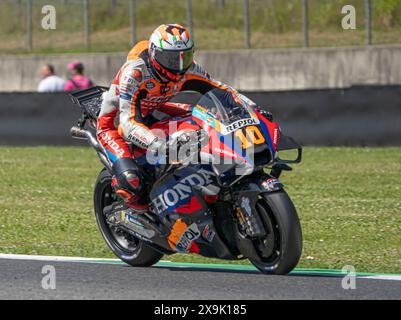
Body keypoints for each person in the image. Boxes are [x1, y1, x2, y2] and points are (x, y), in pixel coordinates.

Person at [97, 24, 258, 211]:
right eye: (172, 59)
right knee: (130, 180)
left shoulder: (190, 68)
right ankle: (140, 215)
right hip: (115, 124)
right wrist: (158, 144)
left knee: (205, 126)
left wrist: (252, 108)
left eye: (185, 56)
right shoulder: (135, 73)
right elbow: (126, 124)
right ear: (155, 54)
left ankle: (206, 190)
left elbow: (222, 90)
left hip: (153, 113)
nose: (179, 65)